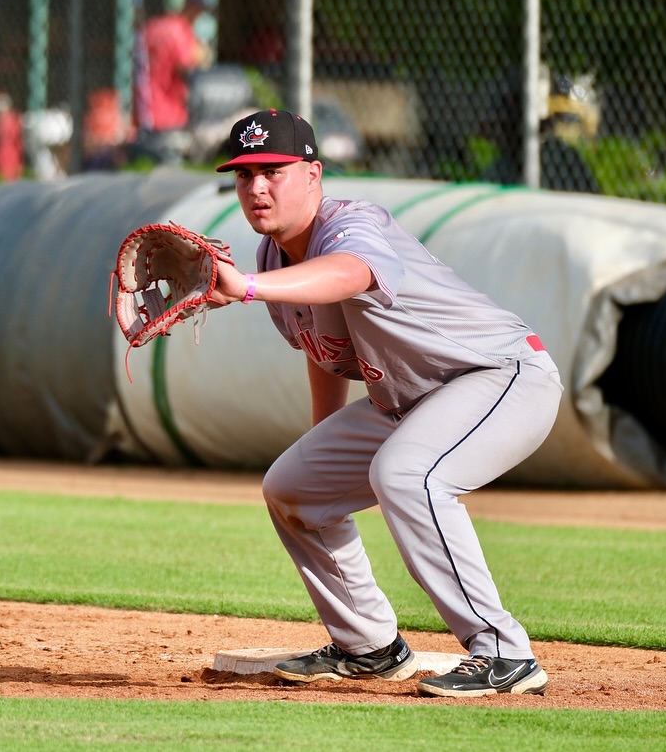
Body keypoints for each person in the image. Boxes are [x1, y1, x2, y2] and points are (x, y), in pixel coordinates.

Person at [205, 109, 564, 697]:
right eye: (244, 175)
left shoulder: (349, 224)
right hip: (413, 399)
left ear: (314, 174)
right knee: (292, 485)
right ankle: (367, 646)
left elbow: (352, 273)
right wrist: (322, 447)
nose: (257, 187)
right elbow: (322, 350)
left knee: (405, 474)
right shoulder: (274, 260)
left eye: (273, 170)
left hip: (501, 376)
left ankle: (504, 653)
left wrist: (245, 288)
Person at [132, 0, 213, 162]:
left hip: (144, 108)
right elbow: (187, 64)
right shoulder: (180, 30)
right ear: (192, 9)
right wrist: (204, 55)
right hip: (168, 113)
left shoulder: (156, 26)